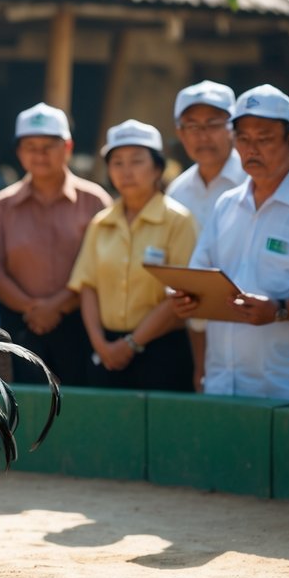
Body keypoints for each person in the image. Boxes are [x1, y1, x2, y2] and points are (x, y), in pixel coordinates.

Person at [170, 85, 289, 405]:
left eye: (264, 138)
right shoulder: (227, 205)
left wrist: (280, 310)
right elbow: (200, 271)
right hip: (224, 385)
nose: (251, 148)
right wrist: (188, 298)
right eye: (243, 138)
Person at [0, 102, 110, 386]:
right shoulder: (2, 205)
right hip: (20, 326)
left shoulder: (95, 201)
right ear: (19, 152)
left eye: (48, 146)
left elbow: (102, 269)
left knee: (80, 407)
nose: (39, 154)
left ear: (68, 147)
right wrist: (33, 309)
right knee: (27, 409)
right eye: (30, 146)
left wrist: (57, 306)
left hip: (81, 323)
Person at [68, 120, 197, 391]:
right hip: (105, 350)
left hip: (162, 350)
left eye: (137, 161)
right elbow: (87, 286)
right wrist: (100, 344)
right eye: (117, 163)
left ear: (158, 168)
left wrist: (132, 343)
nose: (126, 171)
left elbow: (182, 293)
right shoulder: (101, 222)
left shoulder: (178, 221)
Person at [166, 81, 244, 232]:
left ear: (232, 128)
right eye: (193, 126)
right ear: (180, 133)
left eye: (213, 124)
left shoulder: (254, 183)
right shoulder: (177, 192)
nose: (203, 137)